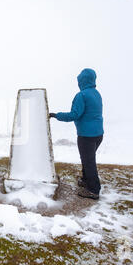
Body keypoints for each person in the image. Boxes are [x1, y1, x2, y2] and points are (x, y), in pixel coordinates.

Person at [49, 68, 104, 200]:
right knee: (87, 159)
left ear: (82, 81)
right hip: (98, 134)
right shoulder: (96, 93)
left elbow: (74, 115)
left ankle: (93, 190)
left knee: (89, 161)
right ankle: (86, 181)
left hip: (87, 135)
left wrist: (56, 115)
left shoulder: (82, 95)